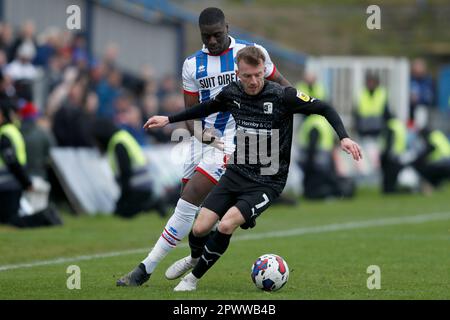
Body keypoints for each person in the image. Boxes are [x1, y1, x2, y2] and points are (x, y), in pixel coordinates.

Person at [143, 46, 362, 291]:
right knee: (200, 227)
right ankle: (195, 257)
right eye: (247, 76)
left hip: (267, 180)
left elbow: (325, 108)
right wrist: (169, 119)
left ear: (264, 70)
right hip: (237, 172)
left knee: (226, 225)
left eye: (258, 74)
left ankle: (192, 279)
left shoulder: (282, 96)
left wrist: (344, 137)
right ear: (238, 73)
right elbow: (204, 108)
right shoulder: (232, 93)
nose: (254, 80)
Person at [116, 7, 290, 286]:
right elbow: (191, 115)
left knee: (188, 199)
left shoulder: (250, 52)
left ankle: (144, 269)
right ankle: (198, 255)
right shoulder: (191, 65)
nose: (211, 41)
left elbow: (282, 85)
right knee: (189, 207)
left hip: (235, 139)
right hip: (203, 140)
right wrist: (203, 135)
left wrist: (299, 106)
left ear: (227, 28)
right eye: (206, 36)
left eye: (217, 35)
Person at [0, 94, 61, 227]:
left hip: (9, 183)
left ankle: (45, 217)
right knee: (12, 218)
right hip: (24, 179)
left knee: (11, 221)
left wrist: (26, 182)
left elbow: (11, 162)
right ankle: (45, 216)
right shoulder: (15, 131)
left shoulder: (6, 133)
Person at [92, 118, 166, 218]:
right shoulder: (123, 136)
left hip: (137, 187)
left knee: (122, 213)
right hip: (144, 185)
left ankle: (153, 205)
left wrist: (123, 197)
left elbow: (125, 172)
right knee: (122, 210)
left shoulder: (118, 143)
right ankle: (151, 204)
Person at [297, 114, 355, 199]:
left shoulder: (313, 122)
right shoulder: (323, 121)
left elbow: (311, 146)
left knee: (313, 192)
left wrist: (308, 167)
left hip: (315, 165)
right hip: (324, 164)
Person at [354, 72, 390, 138]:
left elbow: (386, 111)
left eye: (373, 82)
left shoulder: (382, 93)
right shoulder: (361, 93)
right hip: (363, 129)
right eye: (369, 82)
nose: (371, 84)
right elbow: (356, 111)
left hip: (377, 129)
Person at [380, 116, 409, 193]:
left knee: (388, 174)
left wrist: (386, 153)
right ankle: (392, 189)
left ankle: (388, 189)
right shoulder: (399, 125)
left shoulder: (390, 125)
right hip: (399, 153)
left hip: (391, 154)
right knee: (394, 174)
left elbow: (389, 140)